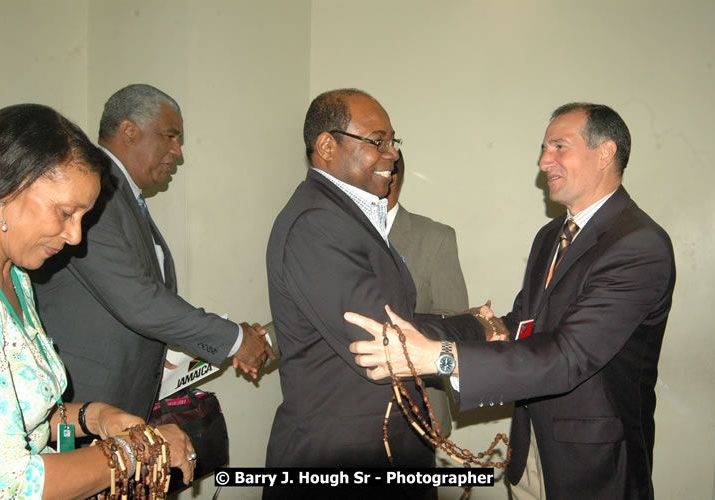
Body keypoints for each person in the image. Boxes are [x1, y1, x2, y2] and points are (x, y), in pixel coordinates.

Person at [348, 103, 676, 499]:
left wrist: (440, 357)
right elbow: (517, 323)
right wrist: (415, 331)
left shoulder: (638, 245)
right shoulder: (551, 236)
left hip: (593, 470)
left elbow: (567, 356)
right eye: (543, 148)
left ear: (605, 153)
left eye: (558, 147)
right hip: (531, 456)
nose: (543, 161)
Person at [265, 89, 487, 478]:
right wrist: (475, 327)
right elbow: (381, 341)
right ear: (326, 146)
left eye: (392, 141)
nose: (393, 153)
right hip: (343, 459)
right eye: (377, 141)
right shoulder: (317, 223)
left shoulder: (345, 217)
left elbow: (388, 314)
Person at [31, 84, 272, 419]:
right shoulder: (94, 195)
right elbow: (137, 300)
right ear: (129, 131)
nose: (178, 152)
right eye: (170, 137)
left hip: (117, 403)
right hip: (82, 408)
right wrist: (234, 339)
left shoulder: (122, 194)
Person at [0, 103, 195, 498]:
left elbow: (21, 418)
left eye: (83, 218)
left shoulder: (17, 279)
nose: (74, 237)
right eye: (66, 212)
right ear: (8, 188)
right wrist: (139, 448)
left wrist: (95, 416)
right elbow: (14, 483)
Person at [386, 149, 469, 437]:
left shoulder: (435, 238)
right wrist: (266, 340)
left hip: (416, 411)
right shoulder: (336, 236)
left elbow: (455, 326)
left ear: (391, 175)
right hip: (346, 413)